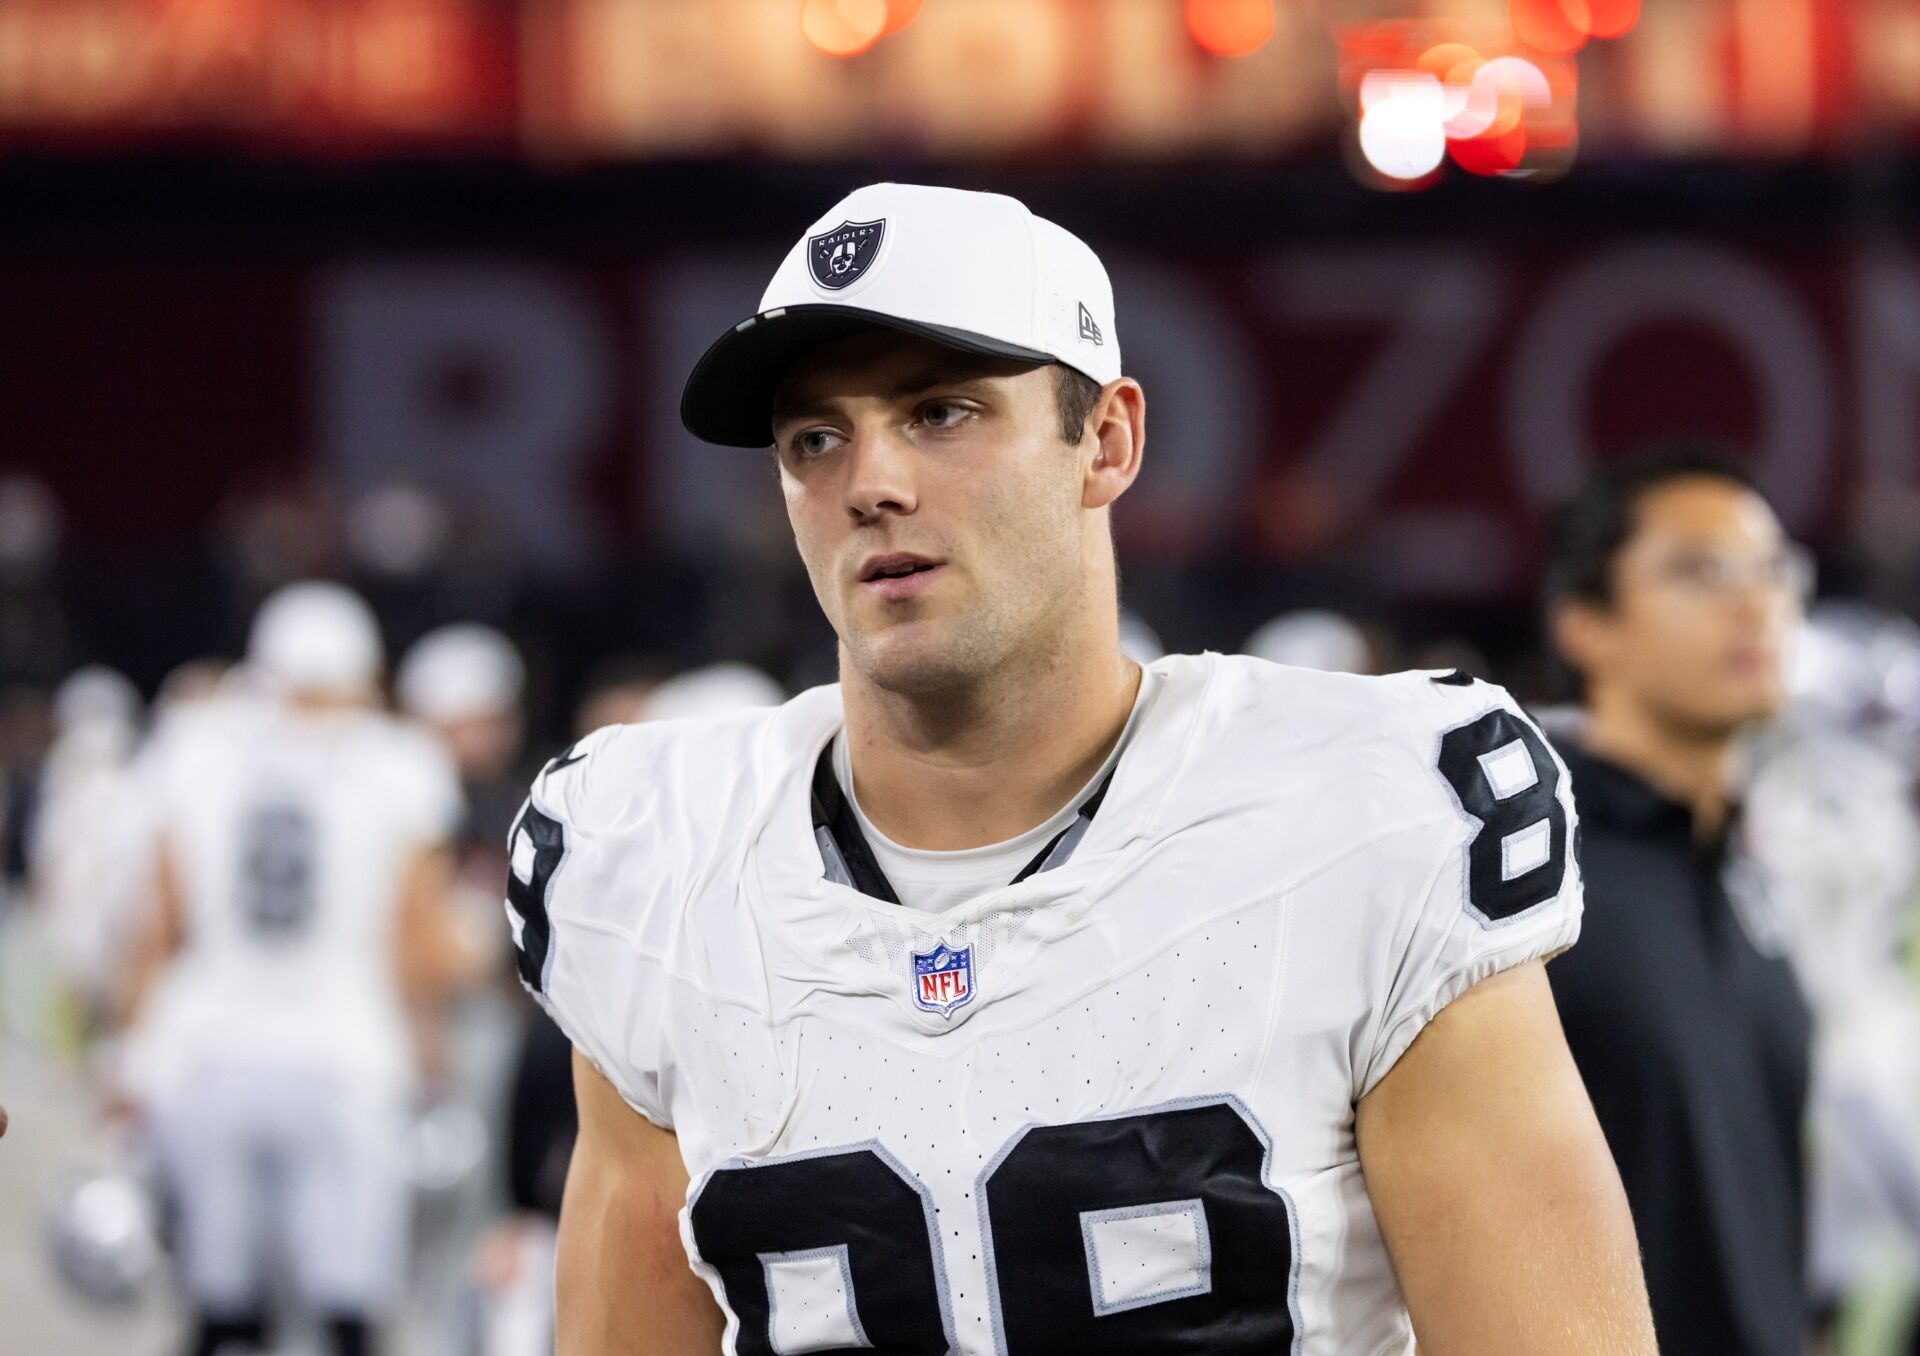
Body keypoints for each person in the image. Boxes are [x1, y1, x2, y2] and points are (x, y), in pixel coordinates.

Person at [508, 183, 1657, 1354]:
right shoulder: (653, 857)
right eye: (816, 437)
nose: (871, 483)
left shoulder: (1366, 812)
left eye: (942, 413)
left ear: (1104, 442)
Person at [118, 582, 468, 1356]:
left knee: (220, 1311)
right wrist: (434, 1049)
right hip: (347, 1048)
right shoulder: (398, 760)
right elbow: (415, 937)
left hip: (208, 1044)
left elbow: (161, 922)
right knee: (348, 1311)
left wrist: (130, 1050)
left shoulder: (196, 744)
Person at [1543, 447, 1814, 1355]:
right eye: (1698, 572)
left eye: (1773, 569)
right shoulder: (1524, 875)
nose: (1754, 603)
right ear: (1586, 624)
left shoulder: (1740, 869)